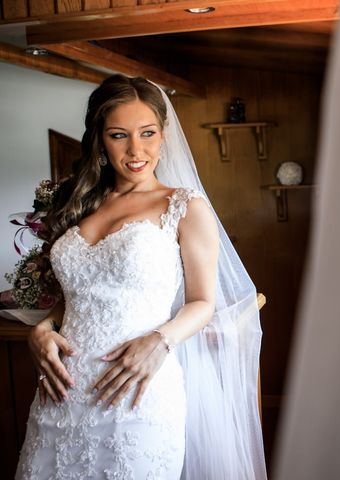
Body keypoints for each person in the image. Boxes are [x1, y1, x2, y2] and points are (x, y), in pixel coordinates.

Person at [15, 75, 267, 479]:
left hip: (138, 391)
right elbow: (77, 295)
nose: (136, 150)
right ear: (100, 139)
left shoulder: (184, 207)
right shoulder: (78, 204)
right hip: (61, 396)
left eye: (147, 133)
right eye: (119, 135)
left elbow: (202, 302)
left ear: (163, 135)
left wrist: (160, 341)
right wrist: (43, 329)